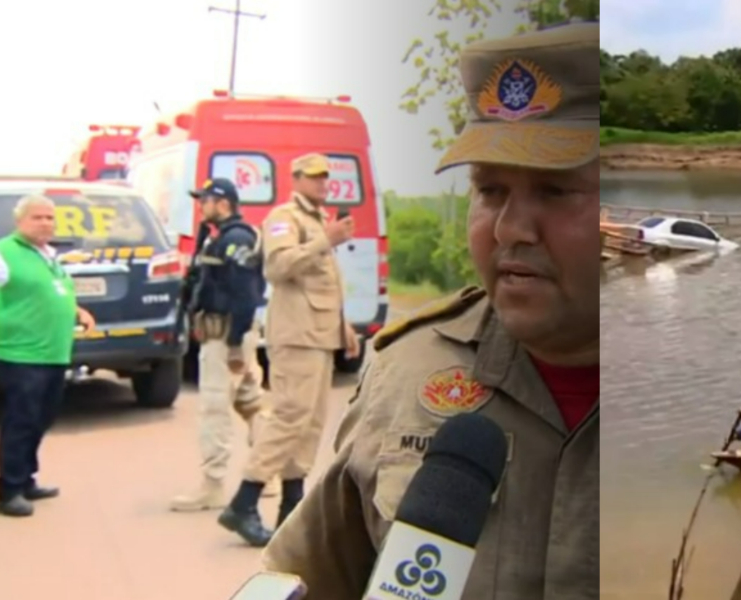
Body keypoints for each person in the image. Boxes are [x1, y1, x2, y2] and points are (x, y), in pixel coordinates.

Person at [259, 22, 600, 599]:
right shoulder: (408, 370)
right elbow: (301, 579)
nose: (510, 228)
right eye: (490, 191)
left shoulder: (697, 394)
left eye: (556, 191)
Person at [217, 153, 361, 546]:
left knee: (311, 422)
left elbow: (325, 281)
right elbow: (277, 267)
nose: (322, 183)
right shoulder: (286, 217)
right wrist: (325, 240)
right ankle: (243, 502)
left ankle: (290, 510)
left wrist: (343, 325)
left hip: (319, 334)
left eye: (325, 177)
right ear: (295, 178)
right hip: (296, 334)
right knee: (289, 416)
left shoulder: (317, 219)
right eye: (313, 177)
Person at [170, 178, 277, 512]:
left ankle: (212, 485)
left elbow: (246, 296)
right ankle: (268, 472)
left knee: (215, 407)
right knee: (250, 401)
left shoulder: (237, 239)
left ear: (224, 203)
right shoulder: (218, 237)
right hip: (227, 334)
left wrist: (232, 345)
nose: (201, 206)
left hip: (227, 336)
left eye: (206, 200)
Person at [0, 195, 96, 517]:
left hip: (53, 354)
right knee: (19, 422)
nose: (45, 223)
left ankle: (25, 478)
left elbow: (53, 293)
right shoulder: (6, 253)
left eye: (49, 218)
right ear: (20, 221)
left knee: (41, 419)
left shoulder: (49, 256)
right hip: (19, 354)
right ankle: (8, 488)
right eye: (37, 217)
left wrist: (77, 310)